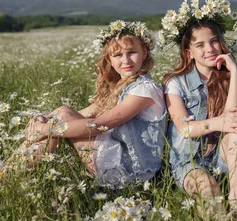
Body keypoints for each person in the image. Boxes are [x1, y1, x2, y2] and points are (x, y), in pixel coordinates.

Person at [20, 21, 166, 189]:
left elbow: (99, 126)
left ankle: (7, 177)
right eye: (118, 55)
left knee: (59, 122)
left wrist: (45, 129)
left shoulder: (145, 90)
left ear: (144, 53)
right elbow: (83, 113)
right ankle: (9, 174)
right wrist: (44, 119)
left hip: (131, 172)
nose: (126, 60)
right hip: (116, 157)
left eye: (132, 52)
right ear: (109, 60)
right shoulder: (121, 85)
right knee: (62, 114)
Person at [159, 0, 237, 217]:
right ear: (189, 53)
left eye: (214, 41)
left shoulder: (227, 79)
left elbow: (235, 117)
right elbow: (185, 128)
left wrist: (234, 71)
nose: (209, 49)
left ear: (222, 43)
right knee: (207, 188)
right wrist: (219, 122)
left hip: (220, 159)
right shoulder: (175, 83)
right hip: (188, 164)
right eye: (200, 45)